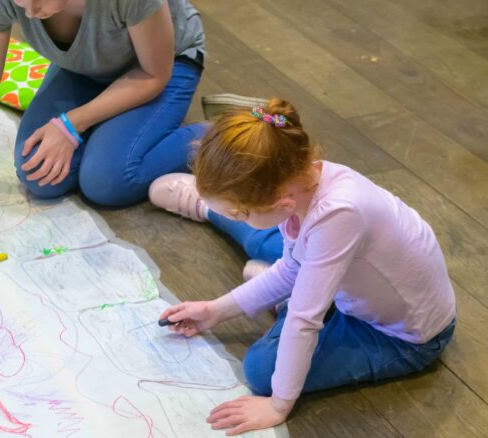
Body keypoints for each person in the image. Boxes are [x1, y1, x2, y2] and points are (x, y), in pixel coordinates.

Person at [149, 98, 457, 435]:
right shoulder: (298, 179)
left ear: (282, 202)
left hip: (403, 337)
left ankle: (278, 288)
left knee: (260, 370)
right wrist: (213, 311)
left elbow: (304, 319)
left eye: (241, 212)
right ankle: (220, 215)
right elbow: (291, 268)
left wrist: (279, 404)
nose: (246, 218)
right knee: (273, 250)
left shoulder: (339, 214)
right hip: (351, 295)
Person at [0, 0, 205, 237]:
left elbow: (154, 74)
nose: (28, 11)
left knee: (106, 181)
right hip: (86, 66)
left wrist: (73, 123)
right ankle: (113, 129)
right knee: (38, 172)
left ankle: (219, 134)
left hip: (163, 64)